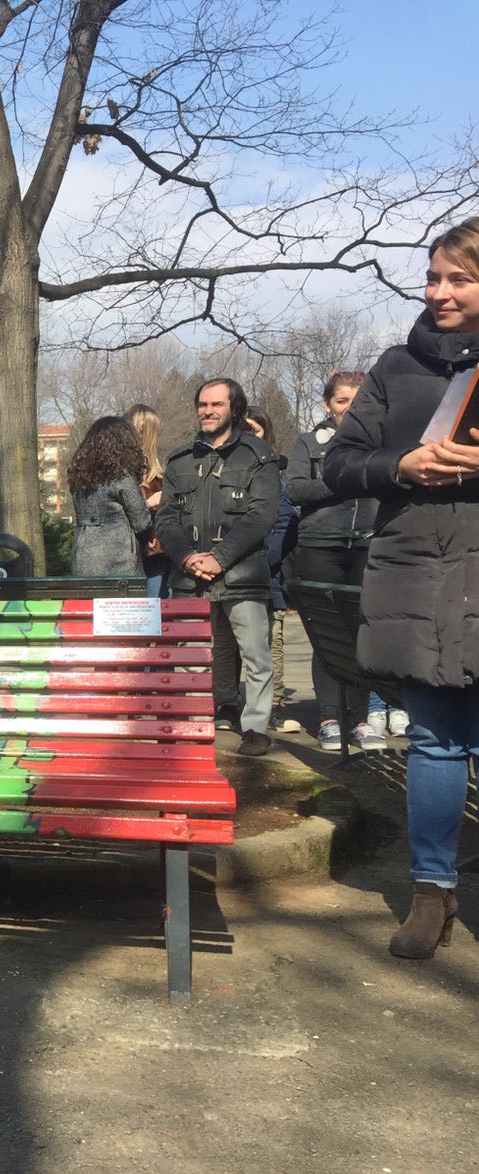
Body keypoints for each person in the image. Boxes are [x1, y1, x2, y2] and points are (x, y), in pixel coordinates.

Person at [322, 217, 479, 958]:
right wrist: (401, 467)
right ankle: (430, 891)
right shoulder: (396, 365)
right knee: (435, 737)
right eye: (433, 277)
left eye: (459, 279)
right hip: (421, 565)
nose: (438, 292)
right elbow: (339, 464)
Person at [155, 378, 281, 757]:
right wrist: (186, 557)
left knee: (255, 656)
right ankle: (191, 724)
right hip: (189, 576)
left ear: (234, 409)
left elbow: (261, 517)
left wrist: (219, 557)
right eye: (202, 404)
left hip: (243, 575)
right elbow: (166, 519)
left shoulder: (259, 456)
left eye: (216, 404)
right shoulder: (179, 460)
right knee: (190, 657)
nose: (207, 411)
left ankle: (255, 728)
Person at [285, 369, 399, 751]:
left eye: (357, 400)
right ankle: (329, 718)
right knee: (326, 634)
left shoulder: (383, 443)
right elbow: (294, 489)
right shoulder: (308, 443)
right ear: (327, 405)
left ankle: (361, 720)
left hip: (367, 545)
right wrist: (339, 481)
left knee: (363, 635)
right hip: (320, 545)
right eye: (341, 401)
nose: (349, 409)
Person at [244, 408, 304, 737]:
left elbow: (285, 521)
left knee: (271, 642)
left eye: (254, 430)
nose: (249, 436)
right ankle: (229, 703)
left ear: (266, 432)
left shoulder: (276, 472)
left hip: (267, 574)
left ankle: (275, 705)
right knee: (231, 646)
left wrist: (264, 561)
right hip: (230, 575)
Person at [66, 415, 151, 577]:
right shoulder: (122, 477)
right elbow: (141, 523)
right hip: (119, 560)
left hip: (83, 556)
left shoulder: (78, 477)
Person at [125, 403, 172, 597]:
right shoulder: (120, 474)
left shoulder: (158, 476)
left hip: (157, 554)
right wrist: (148, 504)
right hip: (129, 554)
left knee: (156, 606)